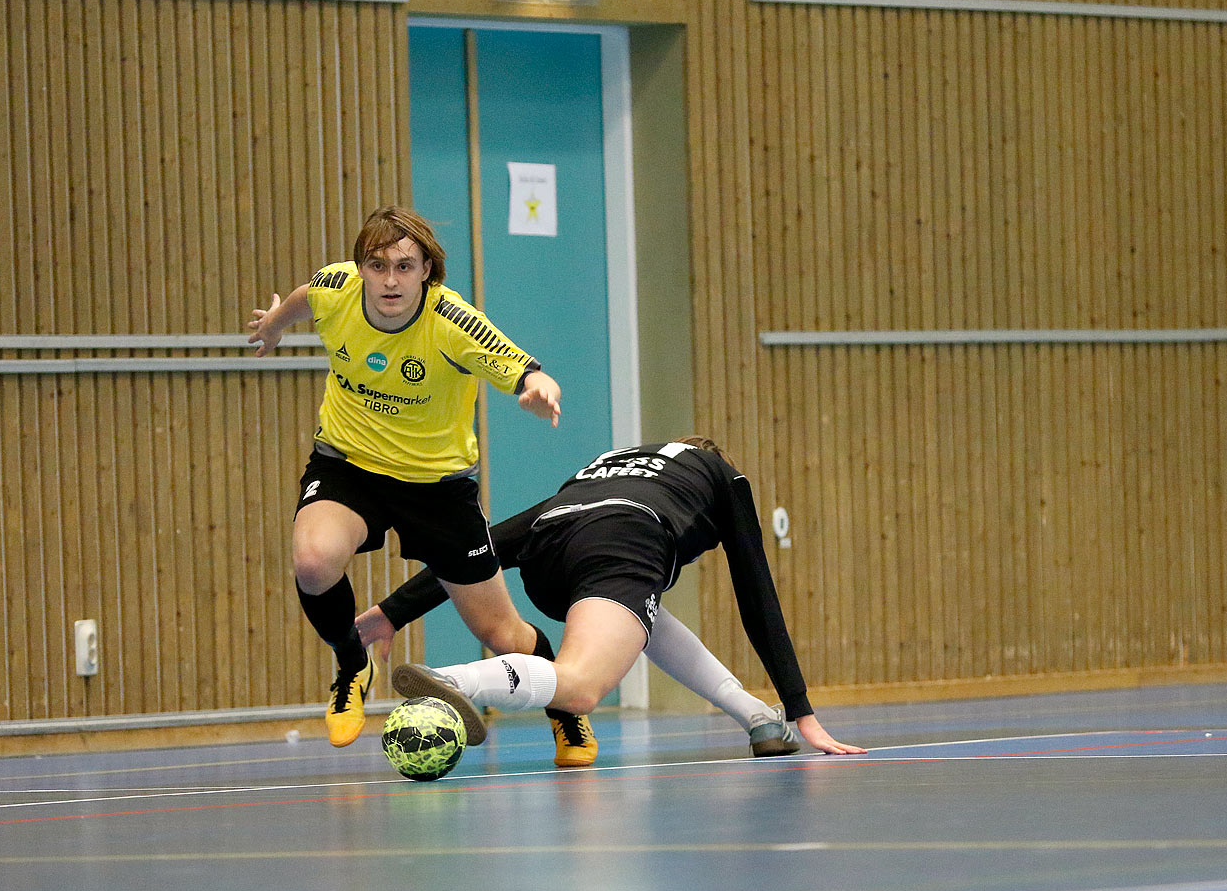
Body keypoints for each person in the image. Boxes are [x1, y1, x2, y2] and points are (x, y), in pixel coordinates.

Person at [246, 205, 587, 755]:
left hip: (438, 486)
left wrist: (537, 384)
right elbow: (305, 295)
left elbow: (519, 363)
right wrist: (274, 326)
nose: (389, 280)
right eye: (377, 266)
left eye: (405, 266)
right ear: (360, 269)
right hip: (349, 466)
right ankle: (353, 664)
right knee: (312, 561)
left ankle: (566, 709)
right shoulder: (338, 292)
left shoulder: (453, 322)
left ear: (426, 268)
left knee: (503, 635)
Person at [360, 437, 865, 758]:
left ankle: (756, 717)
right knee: (582, 686)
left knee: (643, 619)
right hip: (624, 540)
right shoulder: (719, 473)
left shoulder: (610, 465)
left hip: (549, 554)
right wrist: (803, 710)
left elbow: (486, 545)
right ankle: (456, 681)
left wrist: (392, 611)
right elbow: (757, 591)